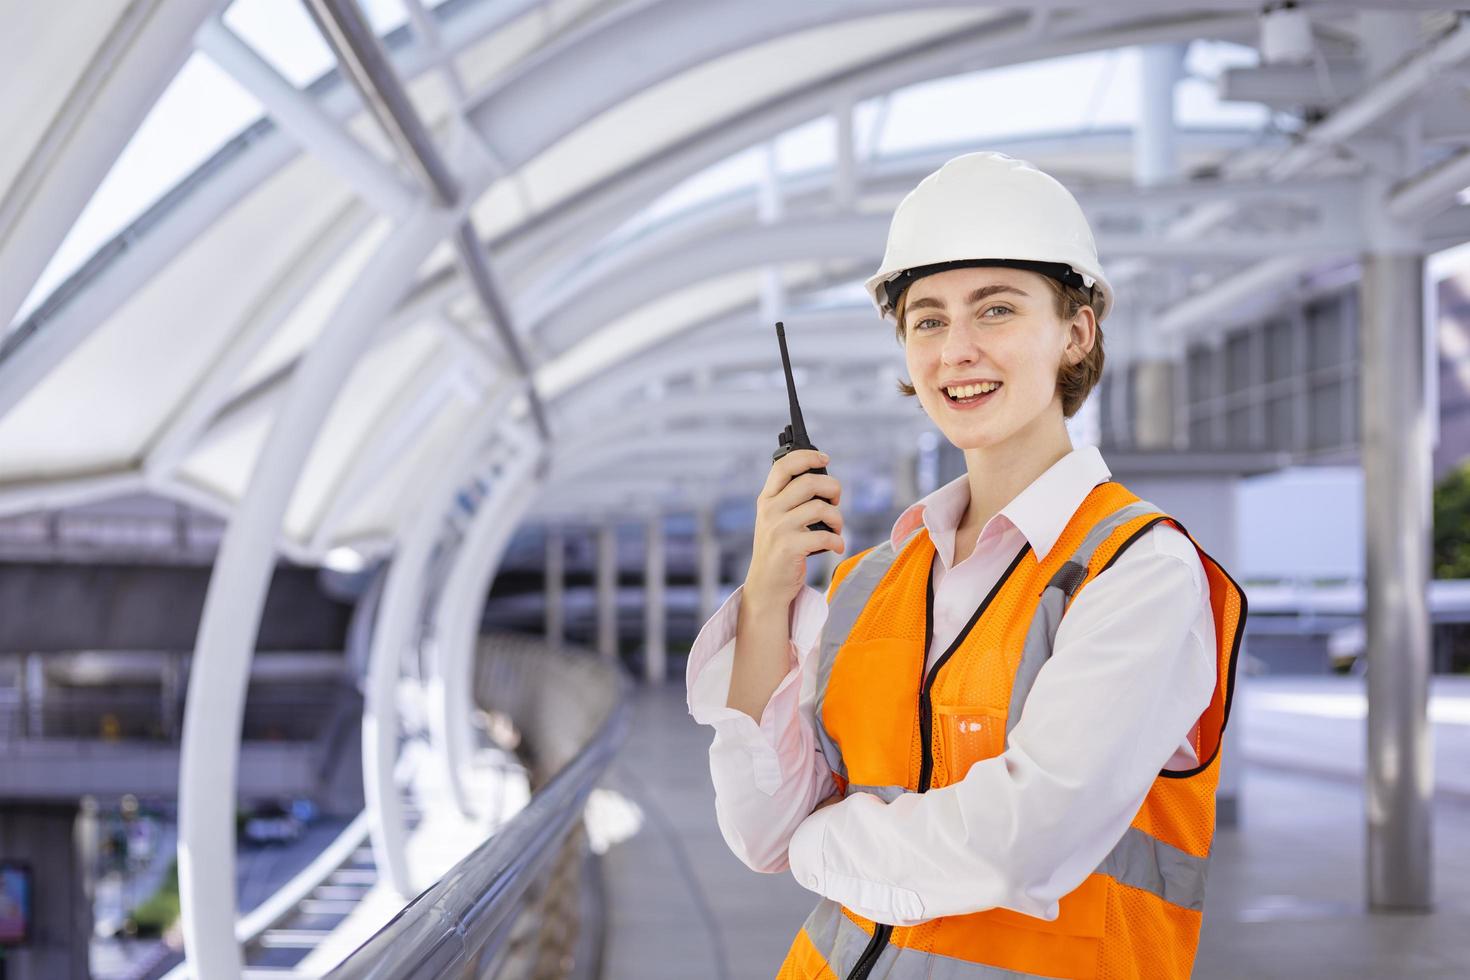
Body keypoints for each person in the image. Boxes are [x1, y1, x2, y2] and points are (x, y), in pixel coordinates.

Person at [684, 151, 1248, 979]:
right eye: (929, 320)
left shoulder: (1140, 572)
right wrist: (769, 600)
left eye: (996, 310)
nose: (957, 350)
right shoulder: (869, 581)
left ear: (1076, 333)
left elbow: (1022, 843)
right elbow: (761, 828)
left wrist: (819, 841)